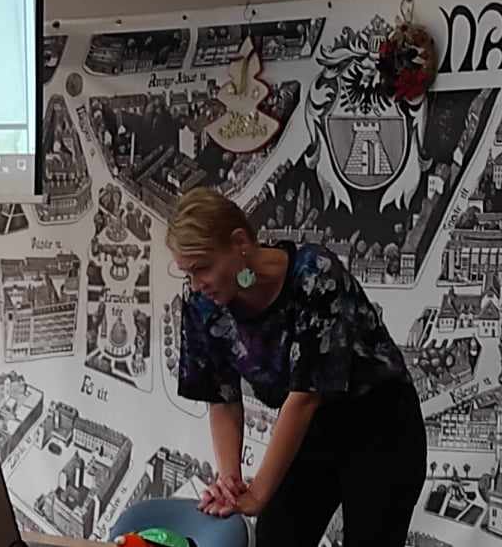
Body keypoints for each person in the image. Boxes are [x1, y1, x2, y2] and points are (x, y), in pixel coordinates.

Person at [169, 187, 425, 547]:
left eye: (202, 269)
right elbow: (222, 398)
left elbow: (305, 397)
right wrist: (230, 482)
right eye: (188, 274)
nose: (196, 285)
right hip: (312, 432)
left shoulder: (315, 274)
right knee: (275, 540)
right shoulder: (202, 305)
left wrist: (257, 497)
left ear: (239, 243)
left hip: (380, 426)